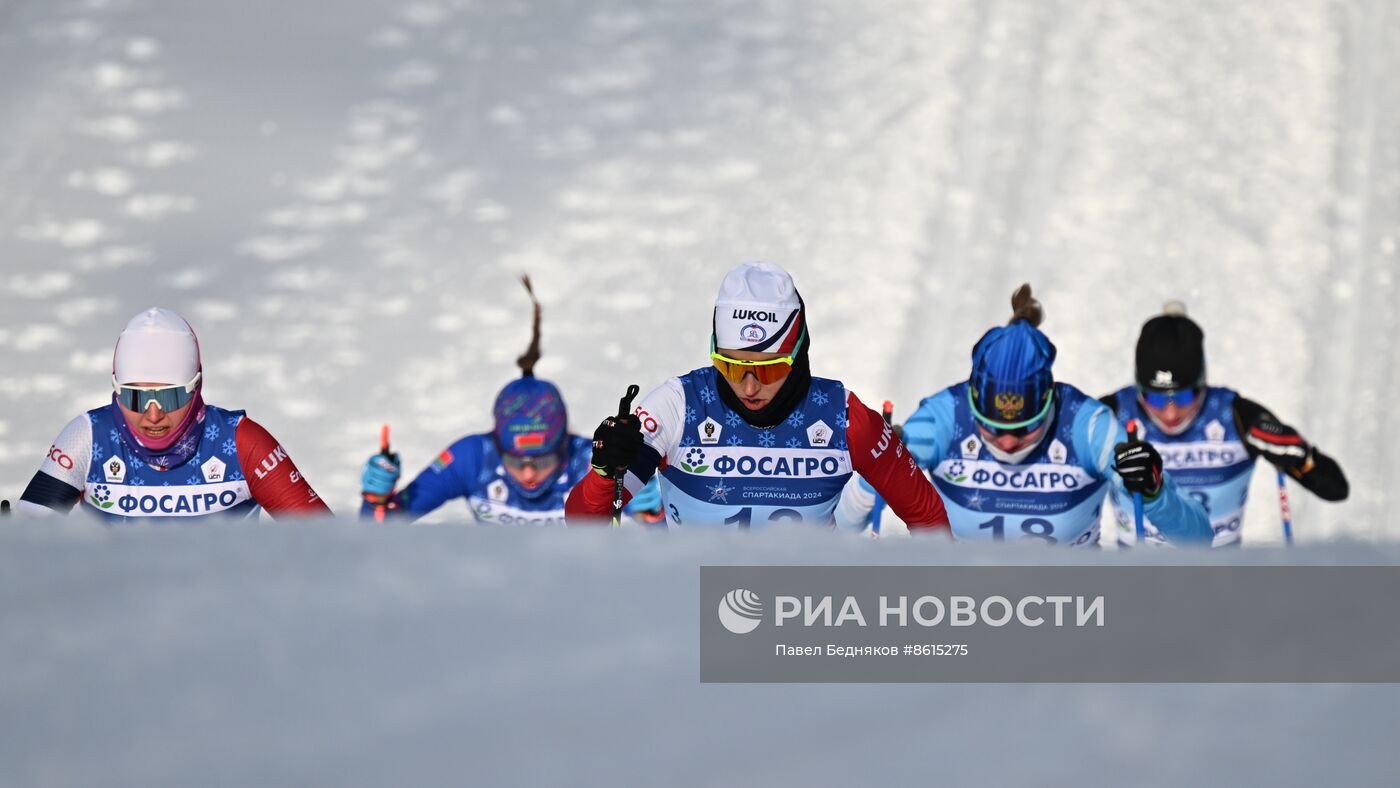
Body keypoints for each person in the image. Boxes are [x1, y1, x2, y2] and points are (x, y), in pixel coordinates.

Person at [565, 261, 950, 529]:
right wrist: (604, 472)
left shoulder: (843, 417)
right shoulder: (678, 405)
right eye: (731, 366)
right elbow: (585, 522)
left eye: (768, 369)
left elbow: (928, 516)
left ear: (798, 355)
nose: (749, 387)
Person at [835, 285, 1212, 546]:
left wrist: (1156, 492)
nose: (1009, 441)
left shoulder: (1086, 424)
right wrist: (875, 473)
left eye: (1026, 428)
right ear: (972, 402)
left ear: (1049, 399)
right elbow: (840, 529)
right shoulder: (942, 418)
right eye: (992, 428)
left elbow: (1198, 539)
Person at [360, 277, 659, 525]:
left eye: (542, 460)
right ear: (497, 446)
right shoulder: (472, 457)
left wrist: (653, 515)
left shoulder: (592, 462)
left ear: (563, 445)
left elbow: (674, 551)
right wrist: (376, 499)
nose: (528, 473)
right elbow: (376, 534)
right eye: (516, 461)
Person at [17, 307, 329, 521]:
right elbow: (25, 550)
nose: (153, 415)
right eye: (135, 397)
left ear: (196, 388)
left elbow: (332, 551)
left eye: (170, 396)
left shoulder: (240, 441)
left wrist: (375, 503)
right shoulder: (88, 436)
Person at [1101, 303, 1348, 546]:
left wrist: (1303, 459)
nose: (1170, 412)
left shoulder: (1236, 417)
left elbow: (1336, 489)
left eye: (1184, 396)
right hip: (1139, 581)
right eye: (1155, 398)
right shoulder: (1109, 417)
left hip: (1219, 580)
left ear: (1203, 381)